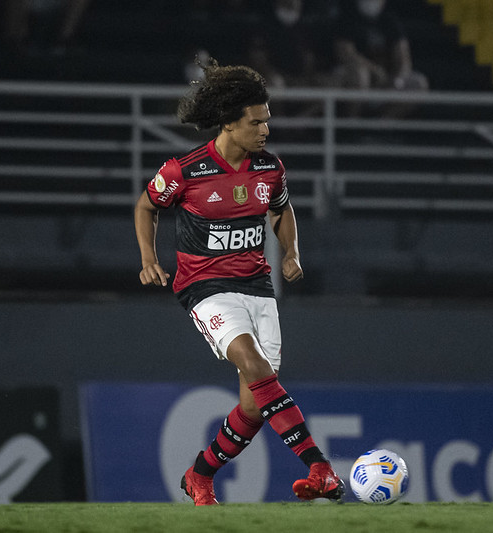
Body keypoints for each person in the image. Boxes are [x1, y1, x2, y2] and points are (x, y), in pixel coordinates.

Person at [133, 59, 344, 505]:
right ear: (229, 123)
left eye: (267, 121)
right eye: (257, 122)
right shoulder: (184, 171)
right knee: (253, 364)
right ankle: (318, 466)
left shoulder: (269, 168)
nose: (265, 130)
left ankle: (200, 474)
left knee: (254, 405)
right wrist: (149, 258)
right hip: (205, 287)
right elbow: (146, 206)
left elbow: (281, 210)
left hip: (257, 287)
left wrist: (292, 251)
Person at [333, 0, 429, 117]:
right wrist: (375, 70)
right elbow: (346, 54)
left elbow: (404, 59)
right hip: (356, 78)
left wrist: (397, 79)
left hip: (385, 82)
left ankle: (380, 125)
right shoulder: (347, 19)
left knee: (418, 83)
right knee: (360, 75)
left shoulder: (390, 21)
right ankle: (352, 125)